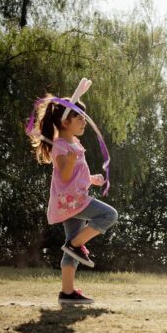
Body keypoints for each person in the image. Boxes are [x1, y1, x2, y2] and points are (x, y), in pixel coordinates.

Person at [28, 86, 118, 305]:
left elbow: (76, 177)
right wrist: (67, 159)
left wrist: (92, 179)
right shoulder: (60, 145)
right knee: (109, 215)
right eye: (80, 118)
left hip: (71, 201)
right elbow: (65, 175)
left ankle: (67, 293)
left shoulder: (74, 143)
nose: (84, 122)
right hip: (72, 203)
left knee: (72, 250)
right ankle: (76, 244)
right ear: (66, 122)